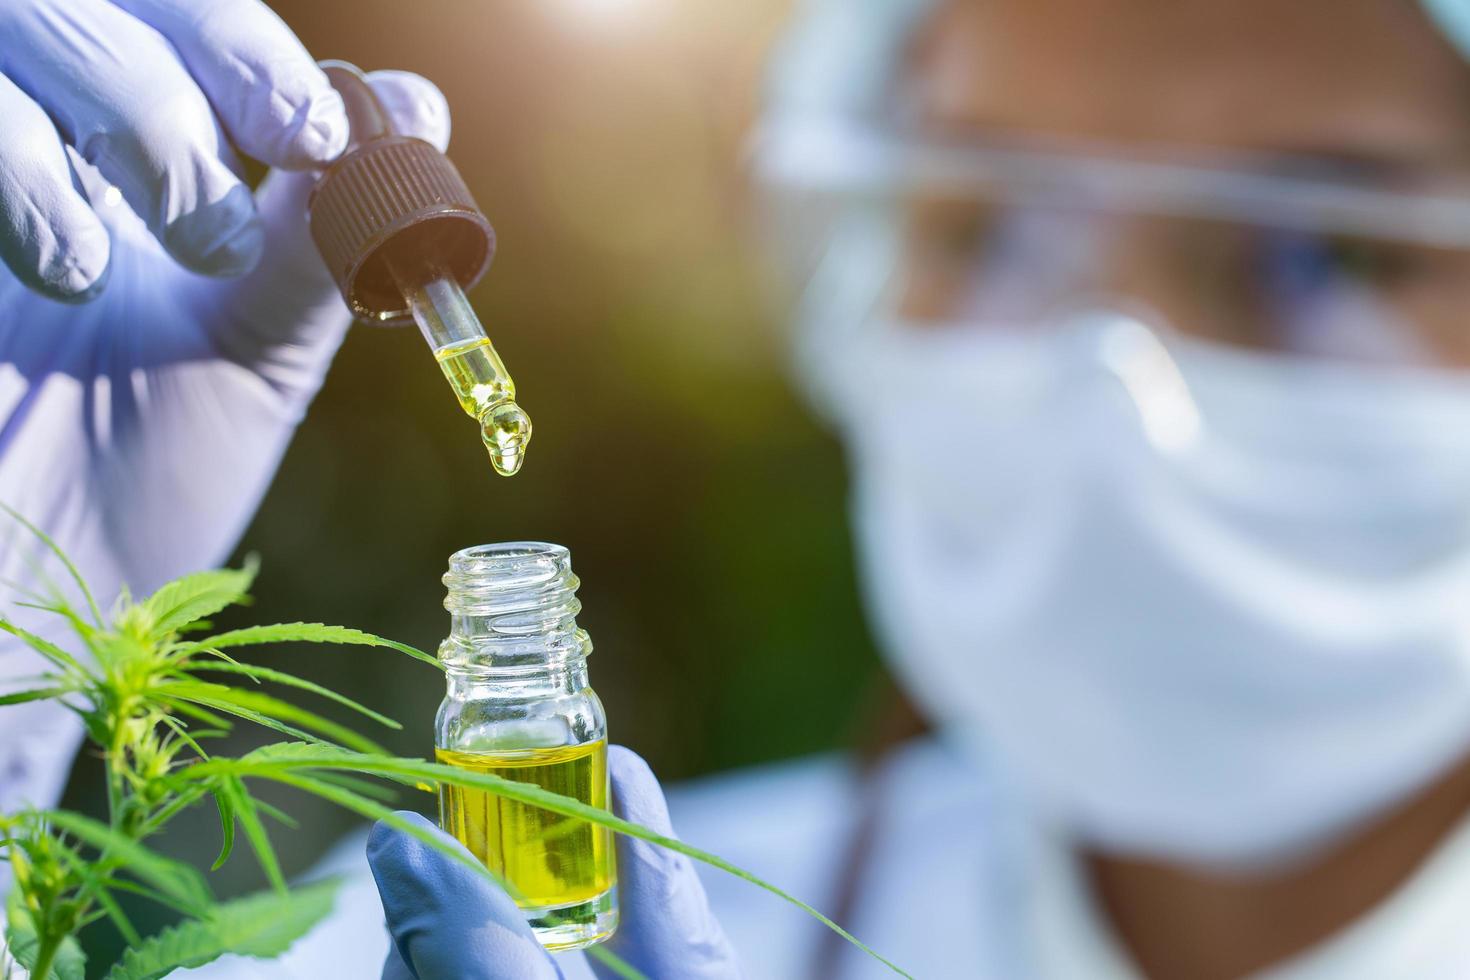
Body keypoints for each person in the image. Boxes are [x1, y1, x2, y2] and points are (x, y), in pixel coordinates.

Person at [265, 0, 1470, 977]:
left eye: (1326, 251)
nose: (1108, 385)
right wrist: (72, 716)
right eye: (986, 227)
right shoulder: (429, 945)